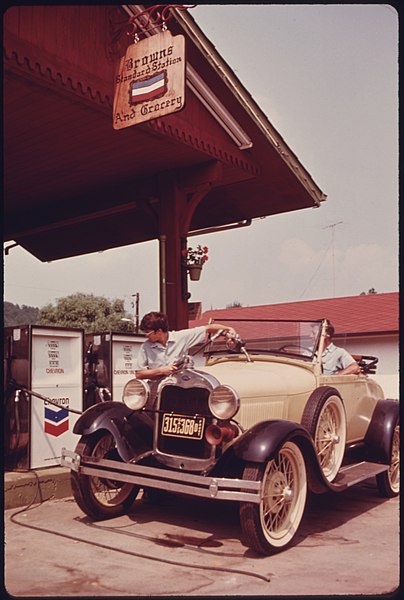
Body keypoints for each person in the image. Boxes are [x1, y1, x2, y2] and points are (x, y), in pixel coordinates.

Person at [135, 311, 237, 380]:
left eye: (148, 332)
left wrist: (229, 329)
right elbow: (139, 374)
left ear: (159, 331)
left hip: (180, 386)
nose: (146, 335)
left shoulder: (181, 337)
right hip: (156, 391)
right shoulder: (145, 347)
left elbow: (208, 328)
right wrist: (161, 370)